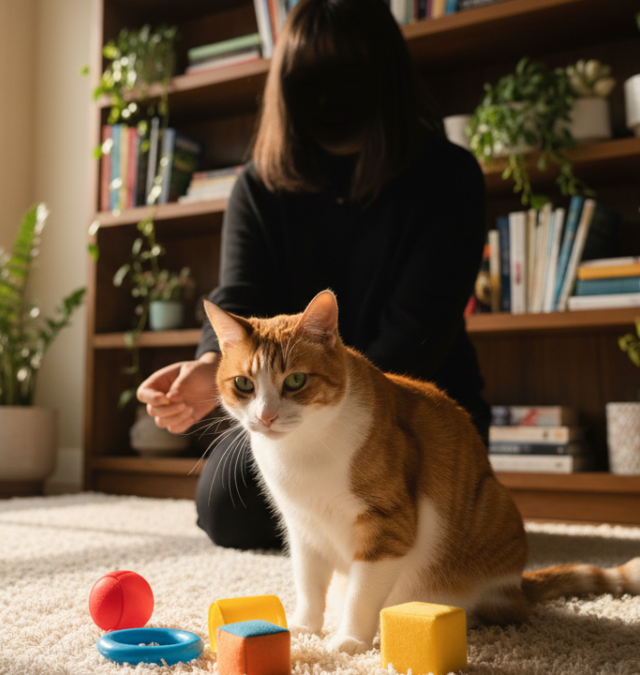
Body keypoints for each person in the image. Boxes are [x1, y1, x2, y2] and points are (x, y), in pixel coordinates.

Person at [136, 0, 490, 550]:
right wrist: (213, 365)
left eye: (347, 72)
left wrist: (335, 418)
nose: (330, 93)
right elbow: (239, 296)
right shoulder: (259, 186)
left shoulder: (449, 177)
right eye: (311, 76)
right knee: (227, 511)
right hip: (290, 406)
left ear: (385, 73)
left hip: (408, 407)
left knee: (413, 515)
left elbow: (420, 330)